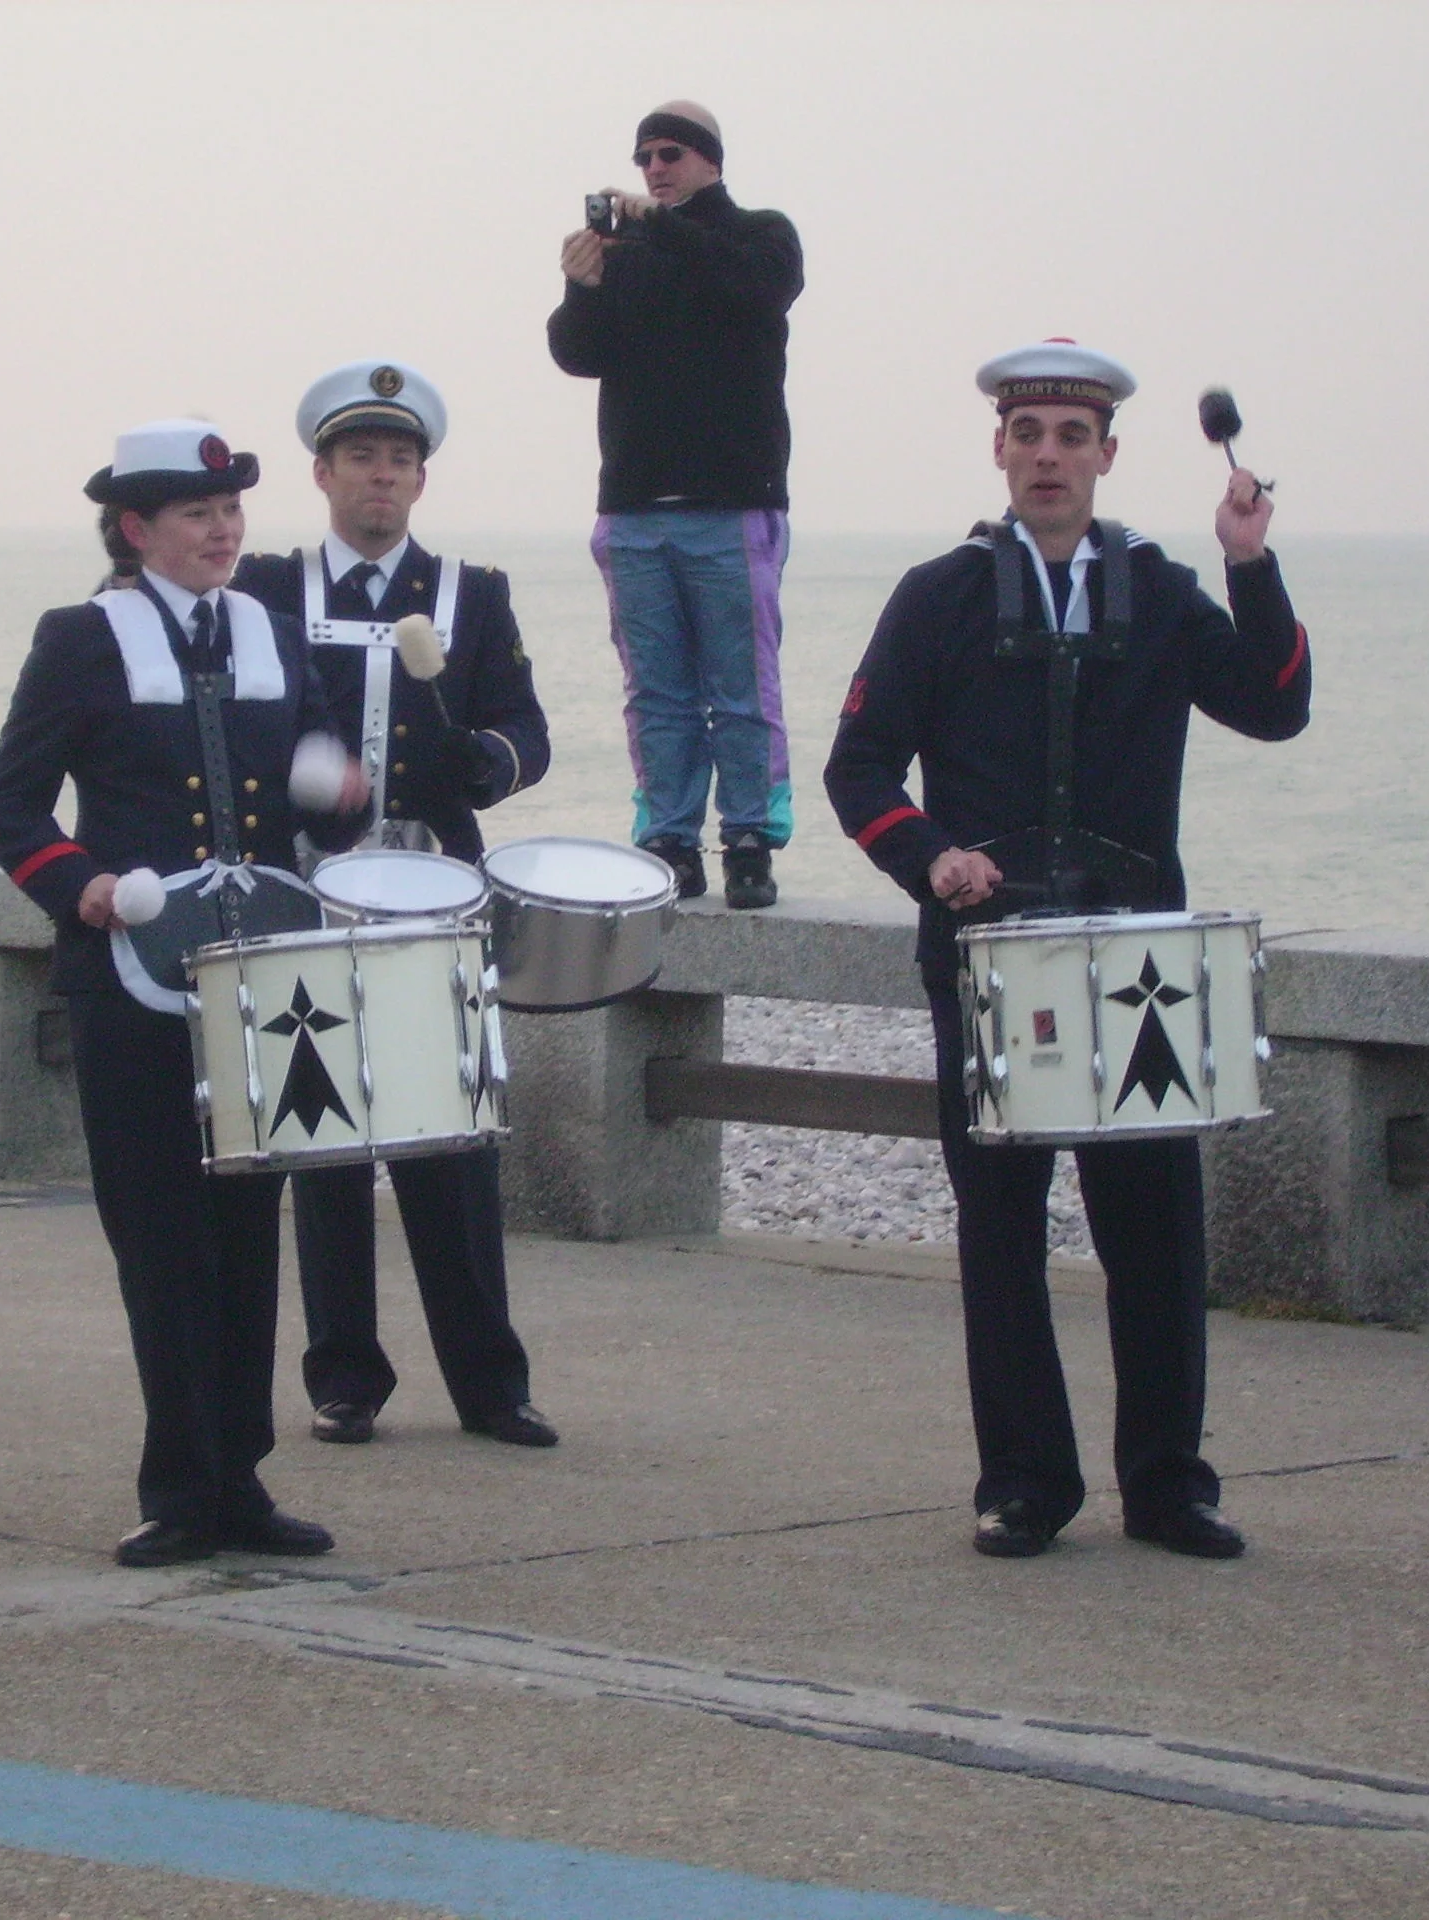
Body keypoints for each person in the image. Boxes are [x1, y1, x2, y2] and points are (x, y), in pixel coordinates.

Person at [823, 340, 1312, 1562]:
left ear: (1106, 454)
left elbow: (1274, 703)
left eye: (1071, 437)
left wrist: (1249, 567)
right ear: (998, 447)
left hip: (1135, 958)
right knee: (999, 1228)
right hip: (990, 959)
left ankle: (1169, 1487)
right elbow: (858, 767)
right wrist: (929, 855)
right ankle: (1024, 1484)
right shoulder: (936, 595)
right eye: (1028, 433)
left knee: (1153, 1228)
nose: (1048, 455)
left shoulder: (1155, 587)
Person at [0, 419, 366, 1567]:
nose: (223, 530)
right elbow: (6, 810)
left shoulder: (274, 635)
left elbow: (317, 798)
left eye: (232, 511)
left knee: (246, 1236)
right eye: (197, 515)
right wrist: (80, 887)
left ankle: (238, 1482)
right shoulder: (80, 639)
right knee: (159, 1242)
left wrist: (342, 790)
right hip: (130, 987)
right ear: (136, 530)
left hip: (261, 986)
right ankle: (177, 1485)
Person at [234, 360, 559, 1451]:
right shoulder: (269, 591)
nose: (382, 477)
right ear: (321, 472)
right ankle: (343, 1379)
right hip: (307, 896)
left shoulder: (474, 592)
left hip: (436, 900)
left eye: (401, 460)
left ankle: (489, 1383)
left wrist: (489, 762)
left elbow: (528, 729)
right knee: (324, 1137)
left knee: (453, 1140)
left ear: (421, 478)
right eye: (362, 458)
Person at [548, 100, 802, 910]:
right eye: (645, 157)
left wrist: (659, 225)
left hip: (731, 504)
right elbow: (576, 352)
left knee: (741, 687)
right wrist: (581, 285)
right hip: (633, 509)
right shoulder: (632, 253)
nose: (654, 167)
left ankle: (752, 840)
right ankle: (668, 840)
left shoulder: (760, 234)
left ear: (710, 160)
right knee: (654, 691)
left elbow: (756, 289)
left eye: (671, 154)